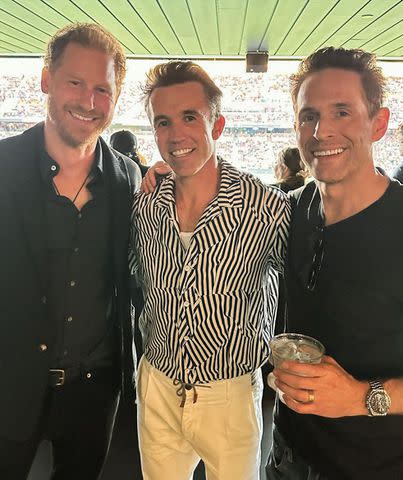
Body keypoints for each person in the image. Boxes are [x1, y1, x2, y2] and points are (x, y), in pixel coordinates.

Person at [130, 61, 290, 480]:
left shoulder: (266, 207)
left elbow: (313, 284)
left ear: (216, 126)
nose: (176, 135)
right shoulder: (144, 204)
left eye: (190, 118)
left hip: (230, 394)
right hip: (158, 384)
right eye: (163, 122)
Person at [0, 23, 142, 479]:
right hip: (9, 383)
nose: (89, 101)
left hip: (94, 394)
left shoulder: (130, 180)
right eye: (75, 82)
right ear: (46, 81)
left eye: (103, 88)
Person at [267, 47, 403, 479]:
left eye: (342, 112)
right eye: (309, 116)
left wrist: (362, 397)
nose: (321, 131)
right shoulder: (290, 210)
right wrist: (167, 178)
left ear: (377, 123)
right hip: (287, 454)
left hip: (374, 465)